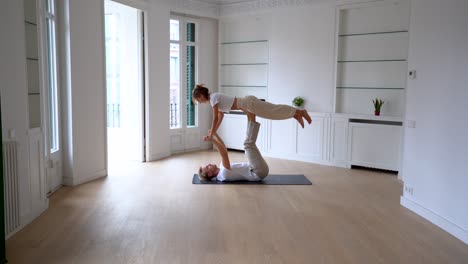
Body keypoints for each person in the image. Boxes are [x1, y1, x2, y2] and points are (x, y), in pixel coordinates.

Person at [192, 84, 312, 141]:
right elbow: (220, 116)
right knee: (270, 114)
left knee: (272, 110)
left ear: (202, 96)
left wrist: (212, 132)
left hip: (249, 103)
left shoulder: (213, 98)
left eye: (198, 100)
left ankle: (299, 111)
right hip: (247, 107)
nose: (200, 102)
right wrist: (214, 131)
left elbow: (215, 119)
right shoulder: (214, 99)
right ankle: (295, 115)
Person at [198, 112, 269, 182]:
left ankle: (251, 115)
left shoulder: (222, 168)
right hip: (258, 172)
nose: (209, 164)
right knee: (248, 144)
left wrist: (216, 135)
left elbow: (224, 149)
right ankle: (251, 115)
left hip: (255, 168)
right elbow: (224, 155)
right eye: (207, 167)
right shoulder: (223, 174)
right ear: (210, 174)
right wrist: (212, 140)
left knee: (248, 143)